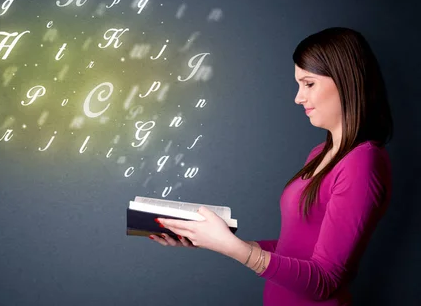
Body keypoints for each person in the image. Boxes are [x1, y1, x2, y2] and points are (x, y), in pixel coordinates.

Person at [152, 27, 393, 306]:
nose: (298, 97)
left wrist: (234, 249)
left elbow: (325, 281)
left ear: (346, 80)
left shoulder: (362, 163)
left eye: (309, 83)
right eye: (298, 84)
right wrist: (211, 238)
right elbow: (295, 249)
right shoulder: (321, 153)